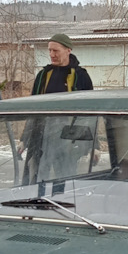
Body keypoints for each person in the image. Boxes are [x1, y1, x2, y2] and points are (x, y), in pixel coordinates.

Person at [22, 33, 93, 182]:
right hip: (41, 139)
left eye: (56, 51)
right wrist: (24, 138)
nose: (51, 54)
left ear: (68, 50)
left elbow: (89, 113)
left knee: (65, 180)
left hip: (68, 140)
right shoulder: (43, 75)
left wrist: (93, 144)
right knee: (36, 180)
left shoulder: (81, 77)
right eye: (49, 50)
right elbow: (33, 109)